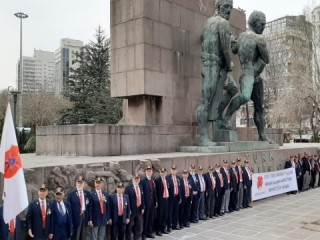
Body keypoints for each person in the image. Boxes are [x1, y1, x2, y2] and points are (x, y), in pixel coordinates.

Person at [223, 11, 272, 144]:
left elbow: (233, 50)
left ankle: (262, 135)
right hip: (249, 73)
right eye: (262, 24)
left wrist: (233, 40)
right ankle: (226, 117)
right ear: (254, 23)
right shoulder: (259, 39)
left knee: (259, 107)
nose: (263, 27)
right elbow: (267, 59)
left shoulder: (241, 38)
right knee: (245, 97)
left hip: (252, 75)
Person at [197, 0, 238, 146]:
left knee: (233, 89)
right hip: (213, 65)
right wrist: (229, 65)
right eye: (226, 7)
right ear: (218, 7)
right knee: (205, 100)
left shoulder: (208, 22)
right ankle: (203, 137)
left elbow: (204, 43)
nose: (229, 11)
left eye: (231, 8)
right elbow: (226, 49)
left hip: (214, 65)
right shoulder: (223, 23)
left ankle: (219, 116)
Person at [67, 176, 93, 240]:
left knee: (83, 235)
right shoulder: (71, 194)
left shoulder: (87, 193)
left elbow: (90, 207)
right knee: (75, 236)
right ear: (76, 183)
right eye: (78, 183)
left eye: (81, 183)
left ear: (83, 184)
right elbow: (69, 208)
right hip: (75, 218)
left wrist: (90, 219)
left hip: (84, 216)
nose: (79, 184)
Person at [125, 174, 145, 240]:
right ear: (132, 179)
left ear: (139, 180)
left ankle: (136, 238)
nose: (136, 180)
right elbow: (127, 200)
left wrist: (142, 207)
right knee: (129, 226)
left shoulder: (140, 186)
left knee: (138, 226)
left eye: (137, 179)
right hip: (131, 210)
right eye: (135, 178)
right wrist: (128, 210)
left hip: (139, 209)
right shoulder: (128, 188)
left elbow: (142, 198)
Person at [141, 166, 157, 240]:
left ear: (152, 172)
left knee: (151, 219)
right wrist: (143, 205)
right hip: (147, 204)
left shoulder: (153, 180)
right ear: (145, 172)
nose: (149, 172)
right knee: (146, 219)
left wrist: (156, 201)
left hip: (153, 203)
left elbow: (154, 192)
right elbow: (142, 194)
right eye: (147, 171)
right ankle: (144, 234)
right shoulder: (143, 181)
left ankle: (149, 232)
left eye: (150, 171)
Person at [155, 168, 170, 236]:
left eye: (164, 172)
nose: (163, 173)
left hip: (166, 199)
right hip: (161, 200)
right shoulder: (157, 181)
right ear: (160, 173)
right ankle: (158, 230)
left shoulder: (167, 180)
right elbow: (156, 192)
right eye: (162, 172)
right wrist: (157, 201)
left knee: (165, 214)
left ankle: (164, 228)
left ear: (166, 173)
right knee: (160, 215)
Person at [166, 165, 181, 231]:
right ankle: (169, 226)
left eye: (175, 169)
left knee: (176, 211)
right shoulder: (168, 178)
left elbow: (179, 188)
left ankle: (175, 224)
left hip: (177, 197)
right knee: (170, 212)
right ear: (170, 170)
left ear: (176, 170)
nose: (173, 171)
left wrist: (180, 197)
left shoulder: (178, 178)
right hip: (171, 198)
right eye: (172, 169)